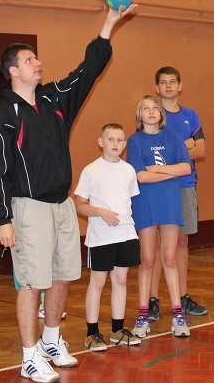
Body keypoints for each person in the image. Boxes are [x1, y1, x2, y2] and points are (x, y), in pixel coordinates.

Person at [0, 4, 137, 383]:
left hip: (62, 206)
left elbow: (88, 70)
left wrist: (108, 25)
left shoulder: (54, 100)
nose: (38, 63)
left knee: (63, 277)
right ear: (13, 71)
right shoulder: (3, 116)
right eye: (29, 60)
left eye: (36, 58)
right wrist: (2, 219)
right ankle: (28, 356)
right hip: (27, 208)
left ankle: (51, 341)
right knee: (32, 282)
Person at [126, 94, 192, 338]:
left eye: (155, 107)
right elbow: (141, 176)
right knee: (147, 259)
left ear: (161, 114)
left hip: (169, 204)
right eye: (146, 108)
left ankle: (178, 316)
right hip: (145, 204)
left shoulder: (173, 138)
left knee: (169, 258)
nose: (151, 111)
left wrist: (158, 169)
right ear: (139, 115)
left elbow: (186, 168)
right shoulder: (135, 141)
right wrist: (170, 173)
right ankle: (143, 317)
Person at [73, 123, 142, 352]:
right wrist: (100, 212)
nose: (115, 143)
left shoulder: (129, 170)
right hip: (101, 236)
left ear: (124, 145)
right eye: (110, 139)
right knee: (98, 281)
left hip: (126, 233)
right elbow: (79, 204)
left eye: (120, 140)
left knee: (121, 280)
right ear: (100, 142)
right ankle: (92, 333)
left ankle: (117, 330)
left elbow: (128, 201)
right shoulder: (91, 171)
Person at [148, 66, 207, 322]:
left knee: (182, 243)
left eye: (173, 81)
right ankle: (152, 300)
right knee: (157, 244)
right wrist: (185, 146)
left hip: (185, 185)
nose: (168, 86)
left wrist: (173, 152)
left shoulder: (190, 116)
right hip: (158, 187)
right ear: (157, 88)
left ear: (180, 86)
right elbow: (151, 152)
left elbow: (201, 150)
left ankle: (182, 297)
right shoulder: (152, 115)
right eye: (163, 82)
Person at [0, 167, 65, 320]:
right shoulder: (7, 159)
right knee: (27, 266)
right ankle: (37, 304)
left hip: (41, 211)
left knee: (46, 260)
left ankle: (47, 304)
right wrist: (12, 189)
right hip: (21, 214)